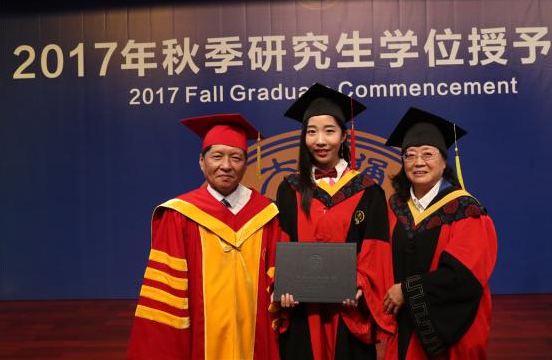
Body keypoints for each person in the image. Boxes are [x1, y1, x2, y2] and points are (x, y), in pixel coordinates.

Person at [127, 114, 281, 360]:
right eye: (217, 156)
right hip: (198, 339)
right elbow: (167, 295)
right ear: (201, 161)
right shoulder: (179, 215)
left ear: (246, 164)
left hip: (254, 337)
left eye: (236, 157)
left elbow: (277, 276)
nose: (226, 165)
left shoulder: (267, 214)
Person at [274, 83, 395, 360]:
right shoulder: (289, 189)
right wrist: (282, 283)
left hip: (348, 312)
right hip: (302, 312)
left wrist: (360, 282)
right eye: (312, 132)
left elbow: (376, 251)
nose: (320, 140)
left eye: (329, 131)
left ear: (343, 136)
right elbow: (280, 241)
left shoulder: (368, 191)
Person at [382, 107, 497, 360]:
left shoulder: (466, 211)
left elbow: (462, 277)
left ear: (444, 162)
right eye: (410, 155)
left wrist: (407, 291)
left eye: (428, 154)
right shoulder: (395, 207)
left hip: (451, 332)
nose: (418, 162)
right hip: (403, 325)